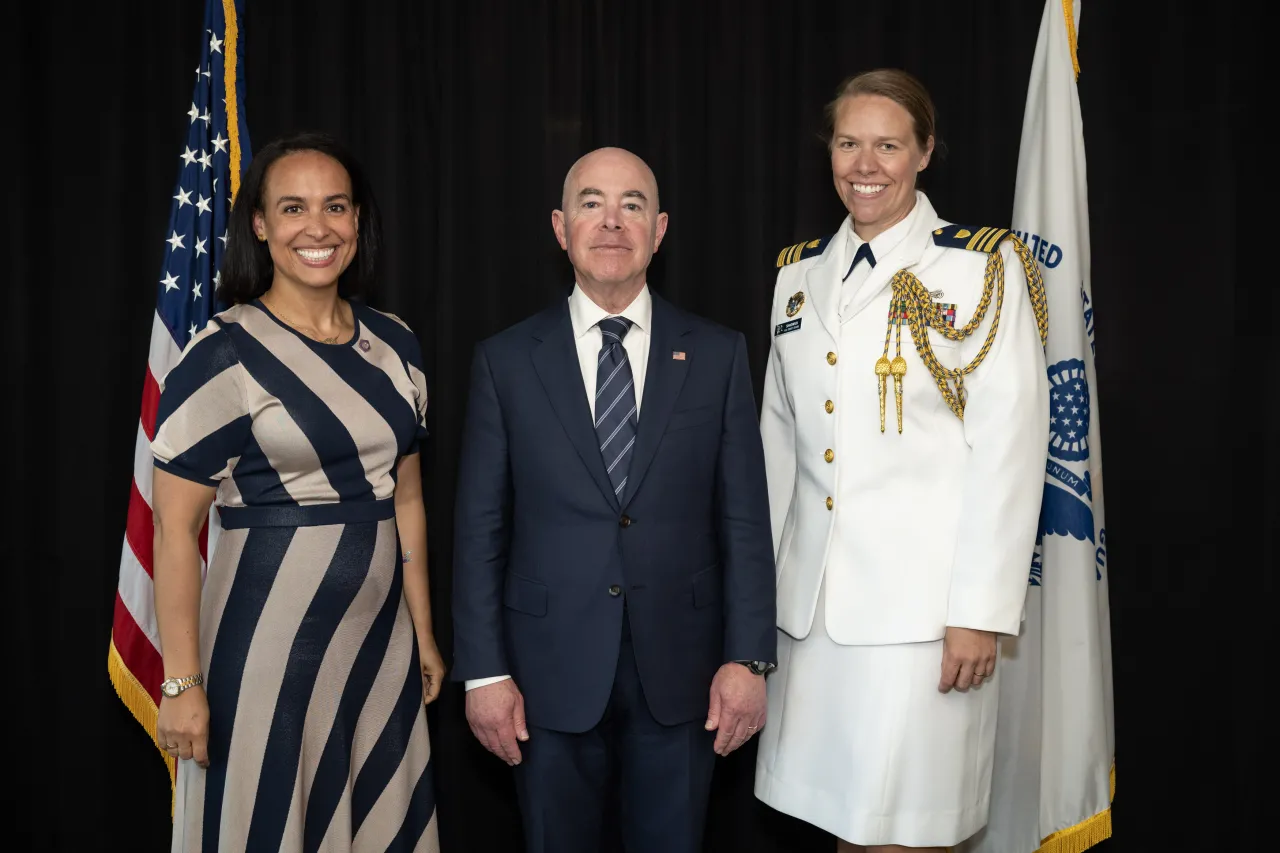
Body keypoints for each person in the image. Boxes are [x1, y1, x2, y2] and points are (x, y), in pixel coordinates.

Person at [753, 69, 1050, 853]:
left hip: (923, 621)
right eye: (849, 143)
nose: (865, 163)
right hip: (812, 617)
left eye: (888, 144)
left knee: (909, 835)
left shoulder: (981, 270)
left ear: (924, 153)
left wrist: (979, 611)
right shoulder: (796, 274)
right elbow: (778, 451)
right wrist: (758, 599)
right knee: (845, 826)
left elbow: (1010, 447)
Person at [451, 146, 777, 853]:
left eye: (632, 204)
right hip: (542, 676)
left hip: (686, 676)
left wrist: (749, 659)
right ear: (560, 226)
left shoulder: (718, 354)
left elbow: (745, 519)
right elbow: (480, 527)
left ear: (659, 229)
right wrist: (483, 670)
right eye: (591, 202)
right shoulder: (505, 360)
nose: (611, 221)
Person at [150, 131, 444, 852]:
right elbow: (173, 531)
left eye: (335, 207)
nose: (317, 227)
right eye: (293, 208)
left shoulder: (397, 342)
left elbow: (406, 497)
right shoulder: (223, 351)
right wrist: (182, 682)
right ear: (260, 224)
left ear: (357, 221)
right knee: (267, 817)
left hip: (378, 642)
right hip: (266, 642)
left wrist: (424, 630)